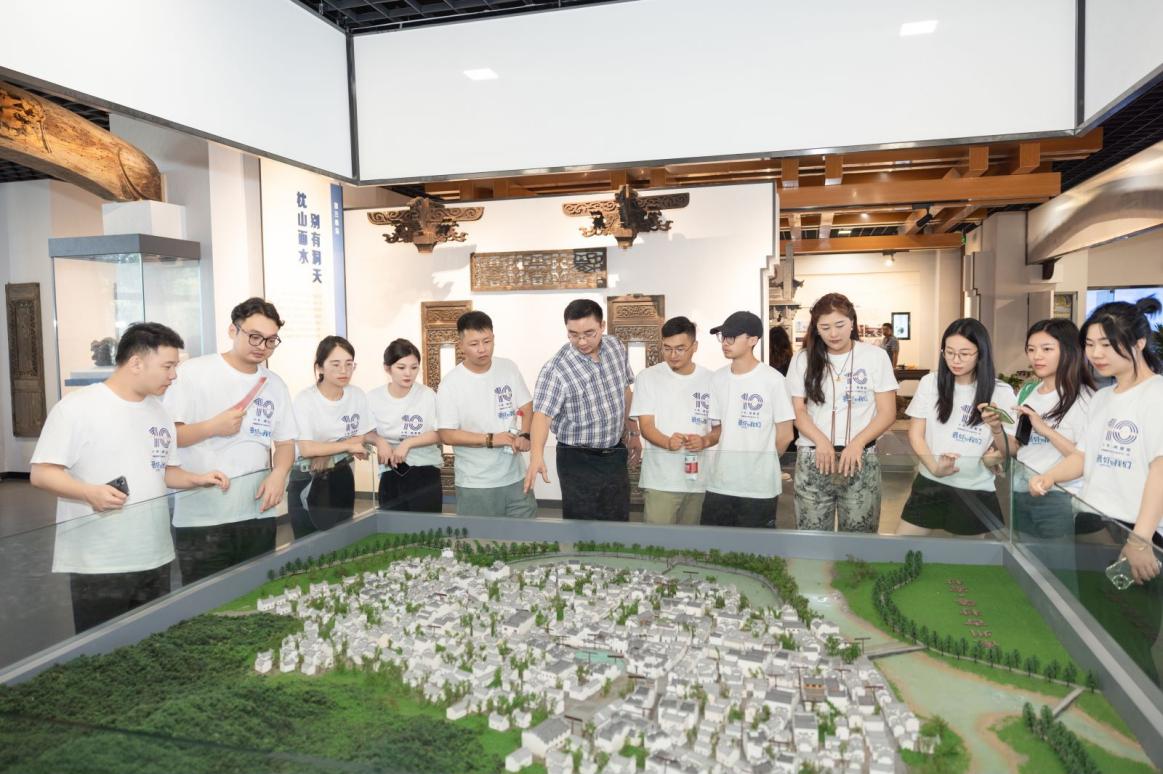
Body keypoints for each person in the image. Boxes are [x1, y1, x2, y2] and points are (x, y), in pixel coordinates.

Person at [30, 323, 228, 632]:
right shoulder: (76, 409)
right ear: (136, 363)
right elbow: (42, 472)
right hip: (99, 562)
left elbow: (164, 471)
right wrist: (88, 492)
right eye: (167, 366)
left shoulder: (159, 413)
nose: (173, 375)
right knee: (102, 651)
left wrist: (197, 479)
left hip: (155, 554)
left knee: (151, 643)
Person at [1030, 298, 1162, 680]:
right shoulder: (1104, 397)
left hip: (1134, 534)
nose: (1096, 354)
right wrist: (1050, 477)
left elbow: (1160, 470)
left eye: (1107, 344)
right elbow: (1085, 457)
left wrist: (1140, 539)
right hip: (1091, 522)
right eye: (1089, 344)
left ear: (1139, 343)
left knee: (1132, 636)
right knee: (1098, 627)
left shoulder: (1157, 395)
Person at [164, 297, 298, 584]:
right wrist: (212, 427)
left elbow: (286, 443)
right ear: (232, 330)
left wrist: (279, 474)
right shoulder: (192, 374)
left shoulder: (274, 384)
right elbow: (170, 438)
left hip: (258, 512)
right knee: (206, 603)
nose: (262, 346)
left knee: (257, 594)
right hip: (203, 518)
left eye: (271, 340)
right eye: (254, 336)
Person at [787, 293, 898, 533]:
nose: (833, 334)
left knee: (859, 540)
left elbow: (888, 412)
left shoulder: (875, 357)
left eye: (840, 325)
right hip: (813, 458)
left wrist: (858, 443)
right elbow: (798, 410)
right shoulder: (802, 359)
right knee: (812, 539)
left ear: (852, 322)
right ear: (816, 328)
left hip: (860, 458)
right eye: (825, 327)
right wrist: (821, 441)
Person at [895, 318, 1016, 537]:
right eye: (949, 352)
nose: (955, 360)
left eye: (964, 354)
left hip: (974, 488)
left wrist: (996, 429)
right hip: (930, 480)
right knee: (902, 546)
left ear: (981, 353)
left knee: (966, 557)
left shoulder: (1001, 391)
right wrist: (934, 468)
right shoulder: (930, 382)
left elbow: (1010, 449)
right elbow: (916, 434)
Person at [526, 299, 641, 521]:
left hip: (615, 452)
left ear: (602, 326)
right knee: (582, 526)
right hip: (577, 458)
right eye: (573, 334)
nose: (581, 341)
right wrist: (536, 455)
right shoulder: (556, 369)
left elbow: (625, 391)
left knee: (618, 519)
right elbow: (542, 416)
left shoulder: (616, 347)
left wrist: (633, 431)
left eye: (589, 333)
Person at [437, 311, 537, 518]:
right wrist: (491, 439)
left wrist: (525, 434)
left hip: (516, 478)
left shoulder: (508, 367)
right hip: (476, 483)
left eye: (487, 341)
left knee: (527, 534)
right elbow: (447, 434)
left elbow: (527, 406)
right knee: (481, 537)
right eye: (474, 344)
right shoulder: (450, 384)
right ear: (461, 345)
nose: (482, 349)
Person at [701, 311, 795, 528]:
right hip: (720, 483)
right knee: (713, 545)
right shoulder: (717, 378)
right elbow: (718, 428)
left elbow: (786, 435)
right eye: (723, 336)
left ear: (753, 340)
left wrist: (761, 462)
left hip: (758, 488)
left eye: (732, 337)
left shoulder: (773, 380)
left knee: (754, 547)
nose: (725, 342)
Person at [629, 316, 720, 525]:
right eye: (667, 348)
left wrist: (704, 441)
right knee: (658, 541)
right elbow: (646, 426)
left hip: (698, 480)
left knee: (691, 541)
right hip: (661, 480)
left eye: (680, 349)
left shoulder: (712, 380)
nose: (673, 355)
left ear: (694, 346)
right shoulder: (648, 377)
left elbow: (719, 429)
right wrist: (668, 442)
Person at [1009, 319, 1094, 538]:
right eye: (1031, 349)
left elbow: (1084, 458)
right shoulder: (1028, 391)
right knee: (1022, 556)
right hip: (1021, 490)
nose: (1036, 356)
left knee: (1055, 558)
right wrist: (995, 429)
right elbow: (1019, 446)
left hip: (1058, 495)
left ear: (1068, 351)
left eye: (1046, 349)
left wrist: (1045, 429)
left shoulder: (1084, 398)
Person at [289, 336, 372, 538]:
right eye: (335, 364)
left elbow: (361, 436)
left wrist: (327, 452)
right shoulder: (305, 400)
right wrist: (346, 446)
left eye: (349, 364)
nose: (344, 371)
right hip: (308, 477)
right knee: (309, 544)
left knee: (342, 539)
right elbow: (307, 449)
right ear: (320, 367)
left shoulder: (356, 395)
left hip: (342, 473)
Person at [368, 339, 444, 512]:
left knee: (426, 526)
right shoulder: (373, 398)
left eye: (414, 367)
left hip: (425, 470)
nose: (408, 373)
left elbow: (440, 432)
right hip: (390, 471)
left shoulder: (427, 395)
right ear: (387, 368)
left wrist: (408, 443)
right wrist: (379, 441)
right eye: (401, 367)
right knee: (392, 526)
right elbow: (364, 432)